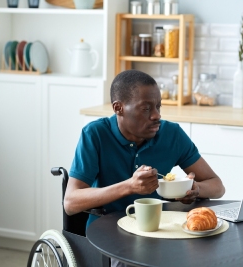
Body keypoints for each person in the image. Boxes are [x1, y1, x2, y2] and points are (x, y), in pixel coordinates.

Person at [65, 70, 225, 264]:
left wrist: (194, 189)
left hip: (161, 232)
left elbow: (217, 186)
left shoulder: (171, 134)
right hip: (110, 235)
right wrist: (129, 186)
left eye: (158, 106)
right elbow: (71, 203)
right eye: (146, 108)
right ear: (119, 108)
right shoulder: (95, 134)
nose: (156, 116)